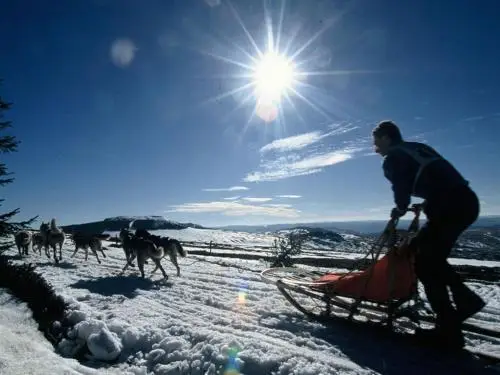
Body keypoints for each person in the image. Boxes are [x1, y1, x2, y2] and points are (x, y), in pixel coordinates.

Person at [372, 120, 486, 349]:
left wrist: (401, 207)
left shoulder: (394, 156)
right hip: (464, 202)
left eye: (376, 142)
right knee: (426, 257)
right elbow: (440, 180)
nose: (375, 147)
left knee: (425, 263)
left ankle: (453, 322)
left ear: (386, 137)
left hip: (448, 206)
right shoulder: (415, 148)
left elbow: (400, 185)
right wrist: (425, 204)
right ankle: (458, 311)